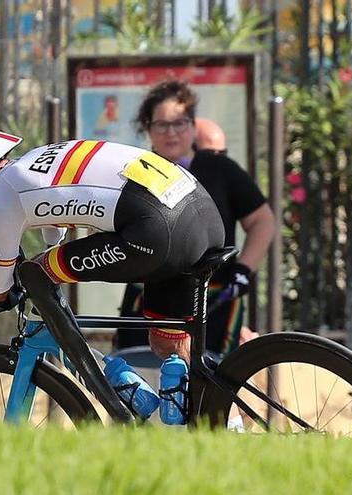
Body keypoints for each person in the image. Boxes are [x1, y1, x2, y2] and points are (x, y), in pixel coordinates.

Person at [0, 125, 226, 422]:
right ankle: (225, 420)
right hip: (198, 213)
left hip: (159, 230)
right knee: (167, 342)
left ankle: (122, 393)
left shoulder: (5, 198)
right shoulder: (32, 165)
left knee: (36, 273)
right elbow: (54, 223)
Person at [115, 80, 275, 356]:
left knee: (211, 389)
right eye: (162, 125)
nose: (172, 132)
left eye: (180, 123)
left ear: (192, 125)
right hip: (147, 303)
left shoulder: (220, 169)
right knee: (140, 384)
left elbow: (262, 221)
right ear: (148, 128)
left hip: (212, 302)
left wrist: (244, 271)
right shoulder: (133, 172)